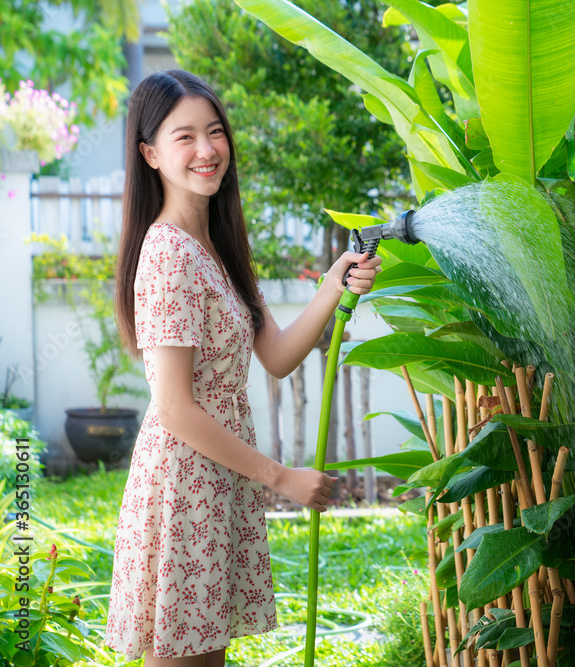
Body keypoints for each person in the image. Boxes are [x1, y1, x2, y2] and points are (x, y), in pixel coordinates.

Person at [104, 70, 382, 666]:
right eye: (184, 137)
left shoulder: (217, 245)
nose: (206, 150)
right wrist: (280, 478)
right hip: (184, 488)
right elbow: (175, 406)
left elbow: (277, 358)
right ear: (150, 154)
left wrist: (333, 284)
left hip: (218, 485)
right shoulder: (168, 253)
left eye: (215, 132)